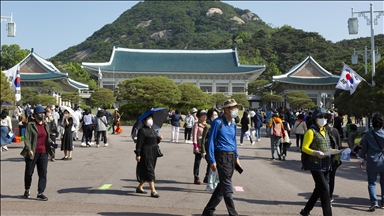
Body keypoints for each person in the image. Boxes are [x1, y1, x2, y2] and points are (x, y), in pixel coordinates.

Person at [202, 99, 242, 216]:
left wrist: (237, 156)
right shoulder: (217, 122)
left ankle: (208, 211)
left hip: (231, 156)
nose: (235, 110)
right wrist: (212, 160)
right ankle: (233, 213)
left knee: (222, 187)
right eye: (232, 108)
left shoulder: (234, 124)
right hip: (221, 156)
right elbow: (210, 142)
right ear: (226, 109)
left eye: (236, 107)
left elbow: (234, 141)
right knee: (228, 187)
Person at [299, 108, 332, 216]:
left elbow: (327, 146)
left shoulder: (325, 130)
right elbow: (304, 148)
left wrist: (334, 151)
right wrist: (315, 152)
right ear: (315, 119)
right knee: (325, 192)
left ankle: (306, 211)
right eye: (320, 117)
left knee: (318, 190)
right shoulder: (311, 131)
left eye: (325, 117)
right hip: (315, 165)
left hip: (326, 164)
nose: (323, 119)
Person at [20, 105, 54, 201]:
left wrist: (51, 143)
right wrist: (29, 149)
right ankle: (27, 189)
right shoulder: (30, 125)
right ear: (34, 115)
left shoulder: (46, 125)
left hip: (43, 152)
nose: (42, 115)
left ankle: (40, 192)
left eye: (43, 113)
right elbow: (26, 139)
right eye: (39, 113)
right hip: (32, 153)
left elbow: (48, 138)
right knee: (29, 172)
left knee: (43, 173)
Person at [358, 113, 384, 211]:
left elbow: (364, 148)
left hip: (372, 161)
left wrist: (361, 160)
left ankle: (374, 202)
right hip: (383, 160)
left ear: (372, 123)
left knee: (372, 183)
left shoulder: (368, 135)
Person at [134, 114, 163, 198]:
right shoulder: (142, 131)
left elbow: (154, 141)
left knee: (149, 169)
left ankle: (140, 187)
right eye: (148, 119)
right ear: (144, 121)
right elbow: (139, 144)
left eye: (151, 118)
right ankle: (153, 191)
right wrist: (138, 154)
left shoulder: (153, 129)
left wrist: (159, 139)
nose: (150, 120)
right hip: (146, 152)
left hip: (153, 152)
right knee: (150, 170)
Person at [325, 115, 342, 204]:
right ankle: (330, 195)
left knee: (324, 177)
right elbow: (339, 144)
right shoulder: (335, 130)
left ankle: (324, 195)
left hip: (323, 156)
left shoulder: (321, 130)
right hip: (334, 157)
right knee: (332, 177)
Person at [201, 108, 219, 192]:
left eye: (216, 115)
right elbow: (203, 140)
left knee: (217, 169)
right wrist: (203, 151)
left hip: (218, 149)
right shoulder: (208, 126)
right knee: (212, 168)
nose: (214, 117)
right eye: (212, 116)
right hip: (209, 149)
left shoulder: (220, 125)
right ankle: (210, 185)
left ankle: (215, 185)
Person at [192, 110, 208, 185]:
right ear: (199, 117)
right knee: (197, 162)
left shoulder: (207, 125)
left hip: (206, 146)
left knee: (210, 162)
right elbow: (194, 136)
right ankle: (196, 177)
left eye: (205, 115)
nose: (205, 117)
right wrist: (195, 146)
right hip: (198, 146)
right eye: (203, 116)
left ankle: (207, 176)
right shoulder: (196, 124)